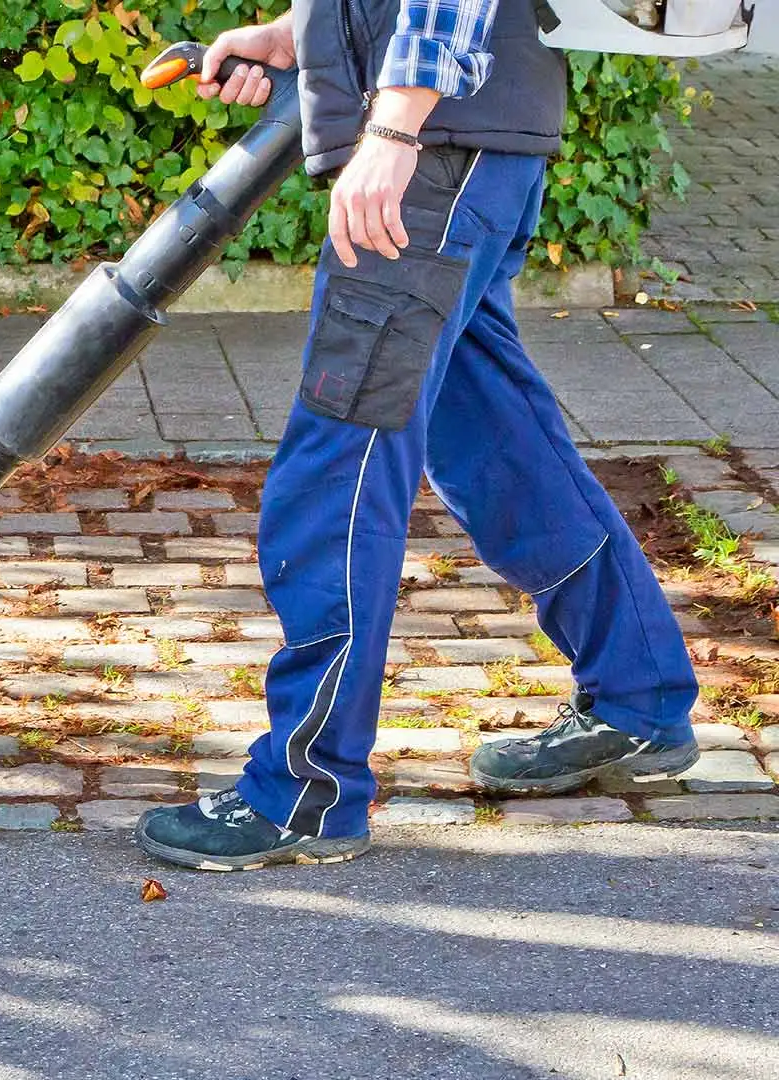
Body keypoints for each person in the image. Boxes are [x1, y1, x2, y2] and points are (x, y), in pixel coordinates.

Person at [135, 1, 701, 870]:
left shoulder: (414, 135)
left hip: (436, 155)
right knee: (497, 445)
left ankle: (306, 791)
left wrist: (395, 127)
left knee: (340, 468)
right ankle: (639, 698)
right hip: (472, 146)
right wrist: (297, 37)